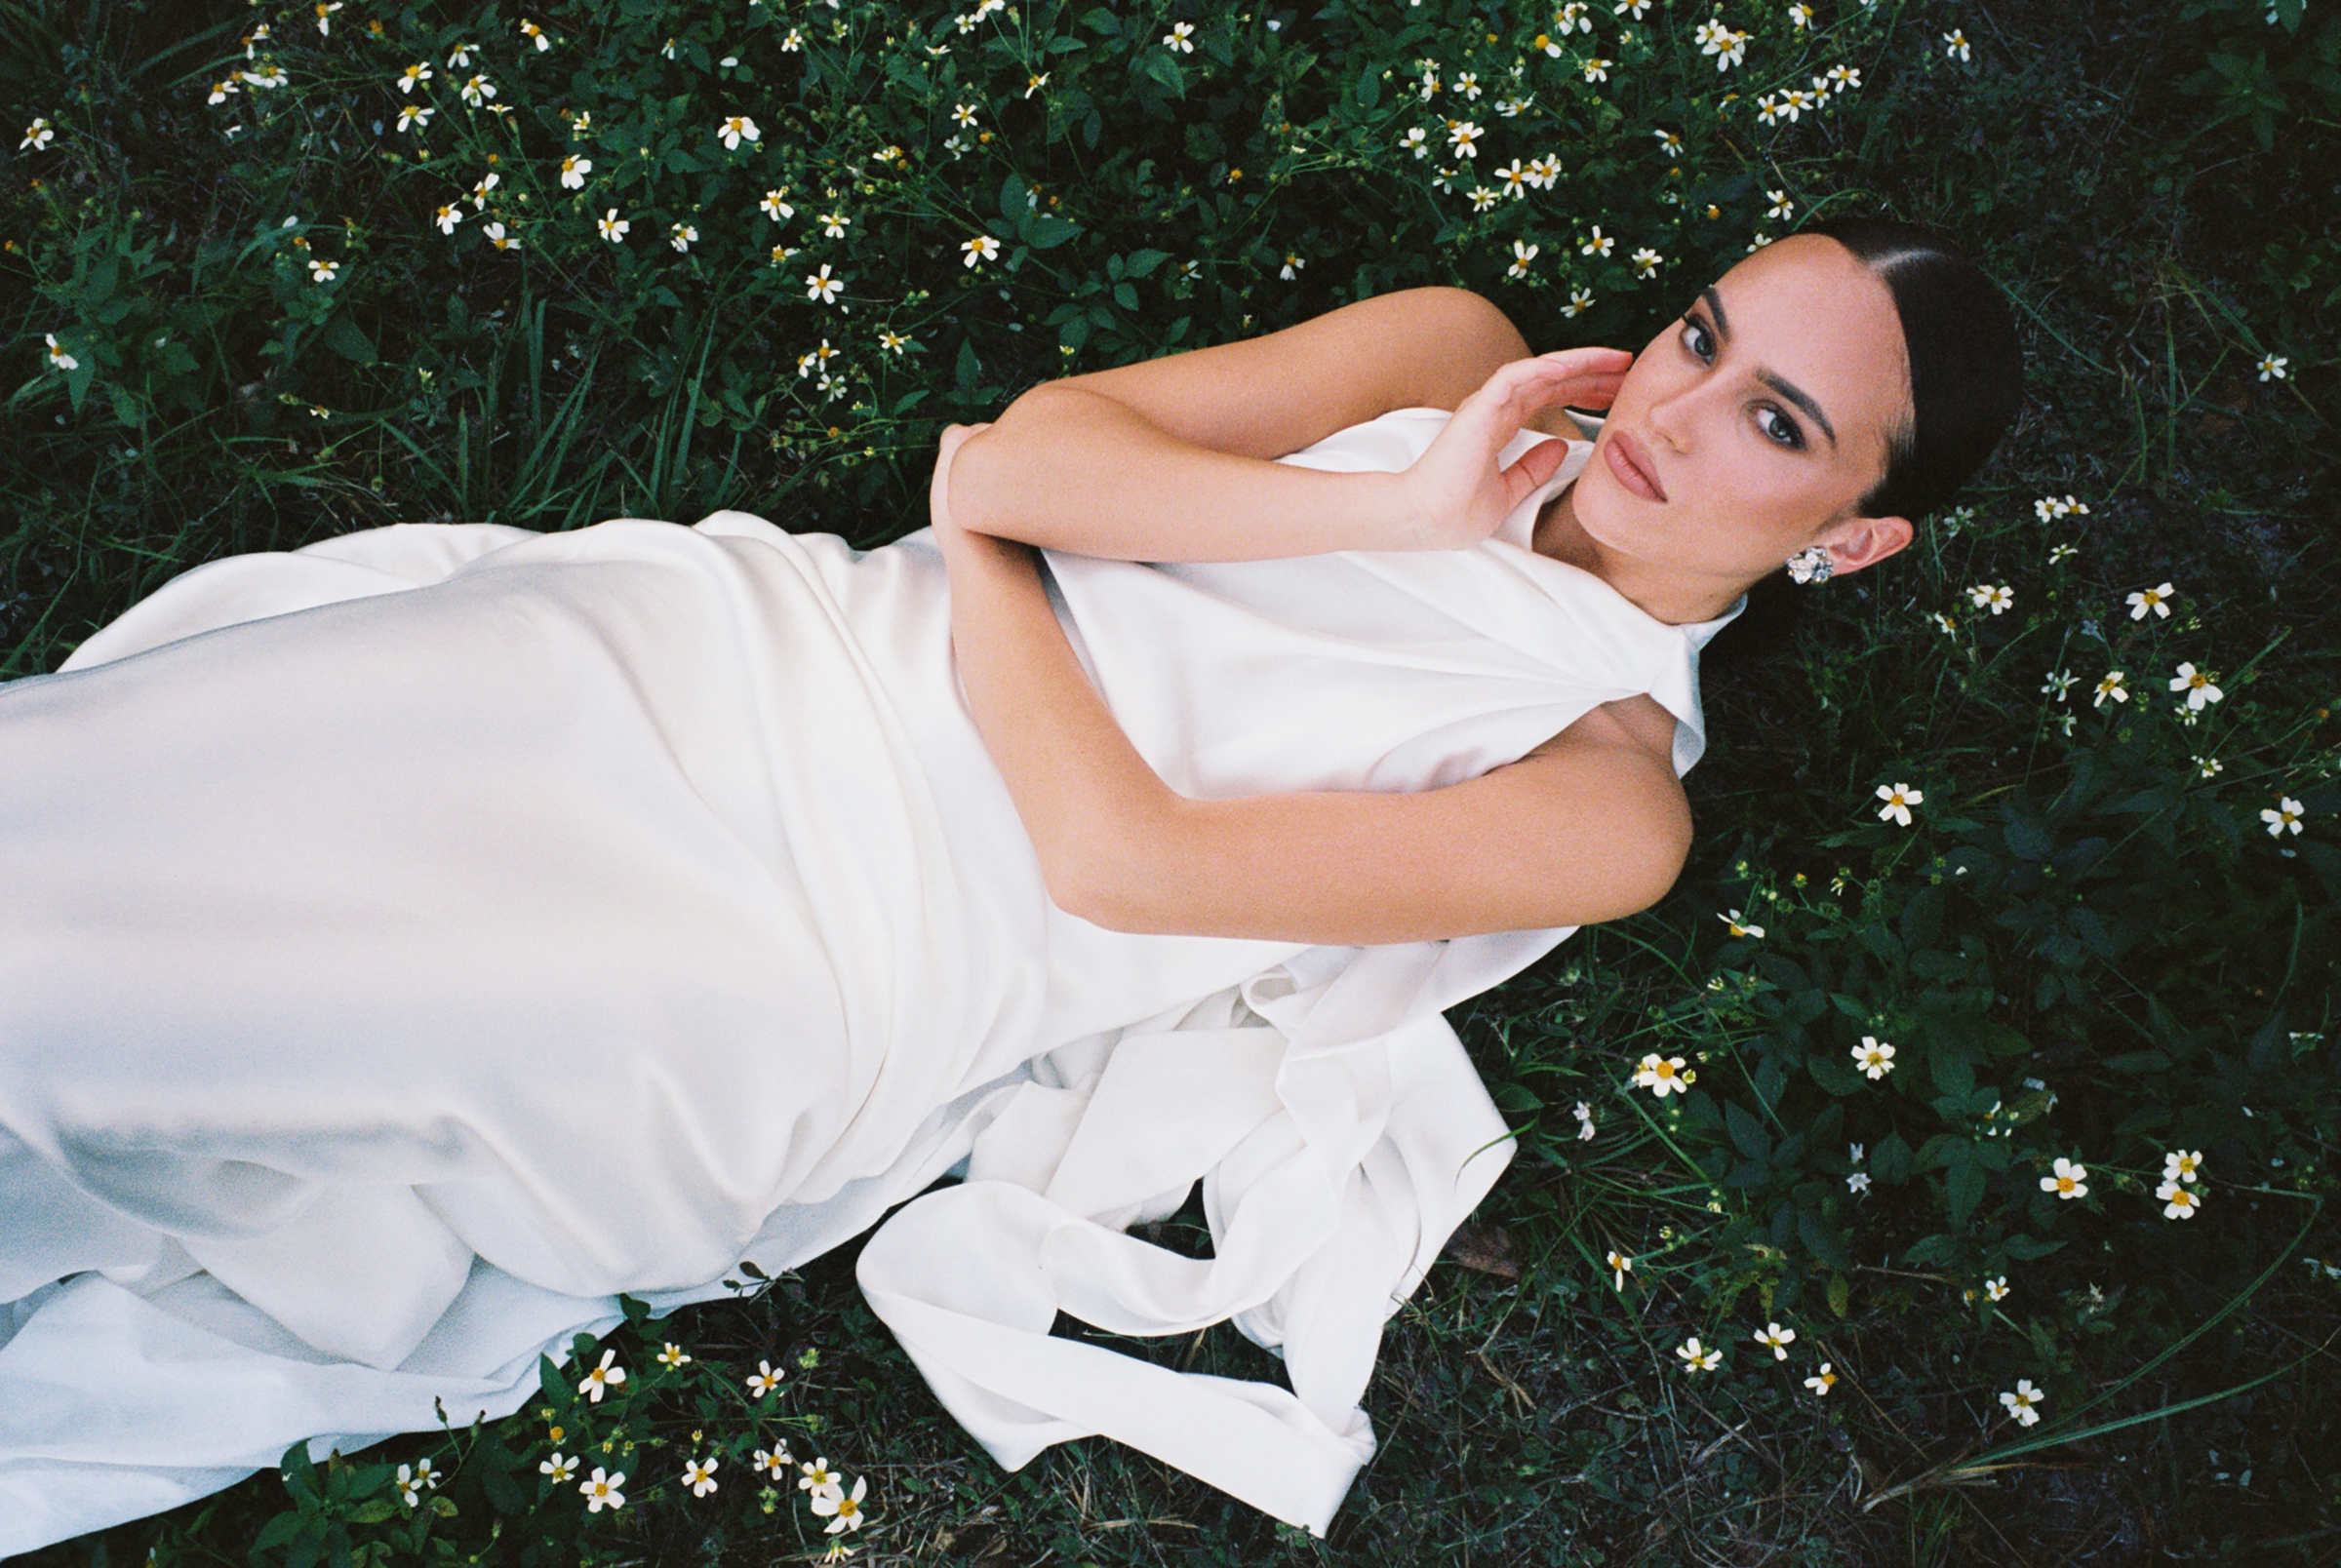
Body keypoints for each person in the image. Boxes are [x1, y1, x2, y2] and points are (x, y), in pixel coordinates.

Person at [0, 216, 2018, 1554]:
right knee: (137, 799)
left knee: (208, 1009)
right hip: (769, 660)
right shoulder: (1450, 358)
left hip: (853, 943)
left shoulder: (1605, 794)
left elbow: (1117, 852)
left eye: (1772, 423)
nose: (1663, 411)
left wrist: (991, 544)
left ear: (1849, 544)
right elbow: (1050, 440)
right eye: (1698, 334)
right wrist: (1396, 500)